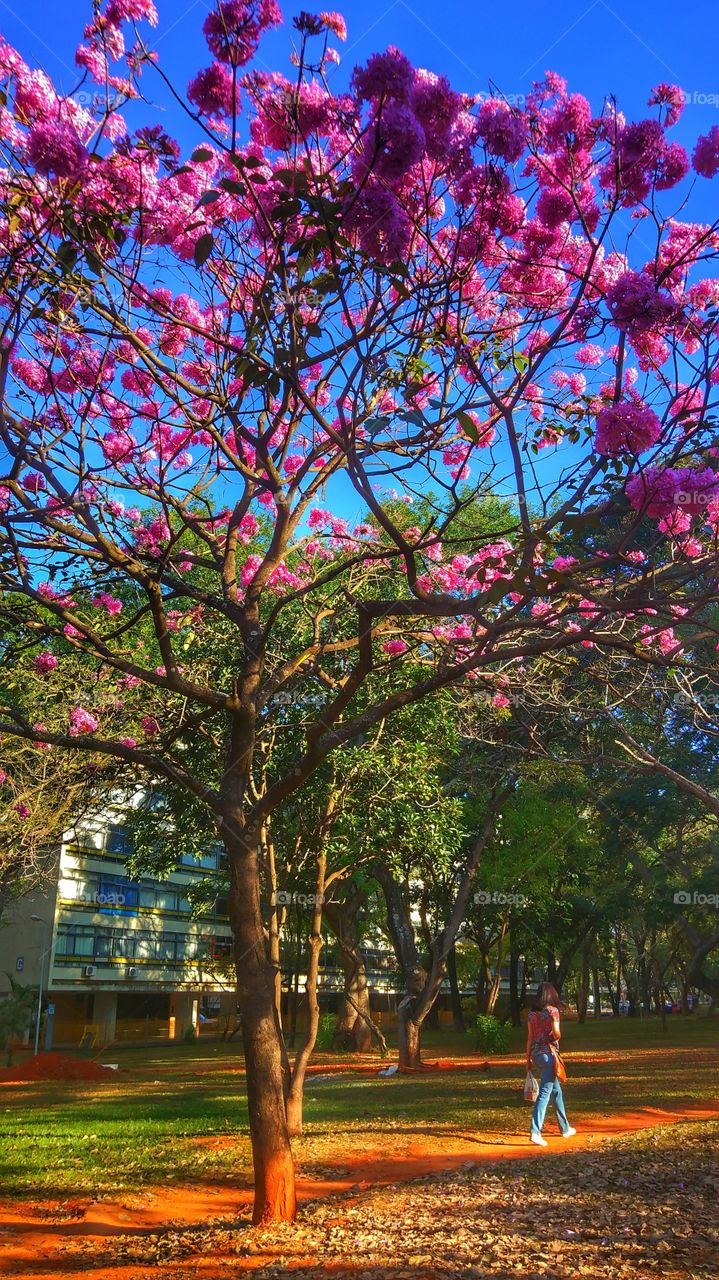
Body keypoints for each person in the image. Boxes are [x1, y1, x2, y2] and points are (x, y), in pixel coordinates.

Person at [525, 981, 576, 1147]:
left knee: (556, 1091)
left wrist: (528, 1059)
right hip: (549, 1055)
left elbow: (530, 1038)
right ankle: (535, 1131)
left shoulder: (531, 1014)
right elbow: (557, 1033)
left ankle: (565, 1128)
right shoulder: (553, 1011)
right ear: (551, 994)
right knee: (545, 1092)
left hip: (536, 1055)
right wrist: (557, 1036)